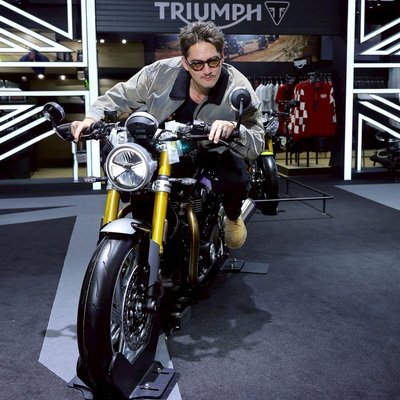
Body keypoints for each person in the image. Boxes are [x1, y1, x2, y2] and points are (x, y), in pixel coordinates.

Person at [71, 21, 264, 249]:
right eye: (197, 63)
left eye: (213, 61)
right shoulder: (159, 73)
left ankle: (232, 217)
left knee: (236, 181)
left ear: (222, 57)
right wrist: (92, 118)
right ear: (185, 63)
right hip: (166, 146)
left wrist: (234, 129)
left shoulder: (238, 87)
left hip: (214, 147)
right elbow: (120, 95)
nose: (207, 70)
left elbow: (257, 140)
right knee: (137, 180)